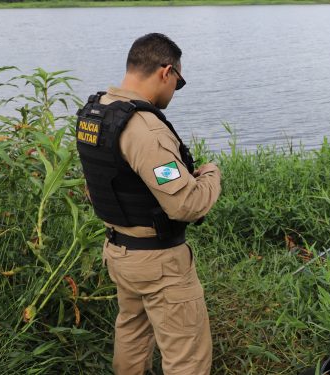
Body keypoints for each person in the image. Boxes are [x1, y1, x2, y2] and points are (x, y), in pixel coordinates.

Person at [75, 33, 221, 374]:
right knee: (187, 356)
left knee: (132, 334)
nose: (175, 90)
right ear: (165, 72)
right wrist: (211, 175)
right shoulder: (145, 130)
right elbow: (185, 204)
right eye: (179, 82)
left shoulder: (97, 113)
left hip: (120, 250)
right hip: (159, 262)